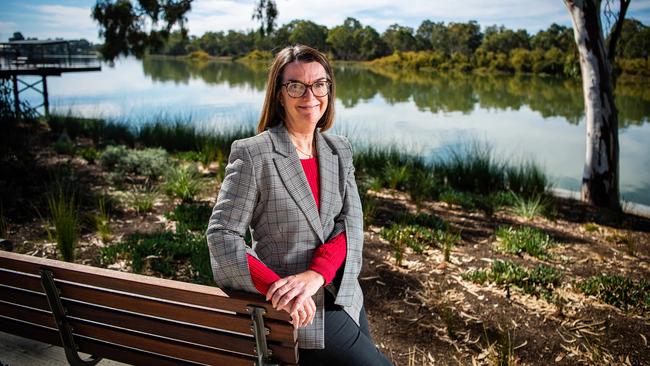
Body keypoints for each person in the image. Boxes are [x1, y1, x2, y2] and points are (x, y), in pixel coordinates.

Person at [206, 45, 393, 366]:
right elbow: (222, 235)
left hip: (344, 292)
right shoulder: (254, 154)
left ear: (329, 90)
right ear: (279, 94)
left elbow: (350, 223)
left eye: (319, 84)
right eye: (296, 85)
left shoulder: (339, 149)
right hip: (296, 310)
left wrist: (318, 273)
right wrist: (280, 289)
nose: (310, 95)